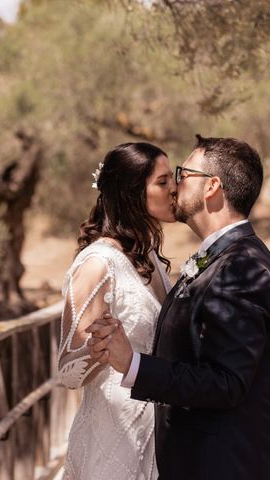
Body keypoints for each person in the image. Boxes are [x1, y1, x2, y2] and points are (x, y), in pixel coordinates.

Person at [88, 135, 270, 480]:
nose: (174, 186)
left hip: (226, 465)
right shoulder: (219, 258)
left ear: (211, 187)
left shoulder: (242, 267)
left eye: (182, 173)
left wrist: (131, 363)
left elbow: (226, 383)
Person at [57, 142, 176, 480]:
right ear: (132, 194)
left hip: (157, 432)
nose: (174, 190)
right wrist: (100, 350)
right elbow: (66, 370)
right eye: (163, 182)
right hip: (115, 434)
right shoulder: (98, 264)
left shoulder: (148, 257)